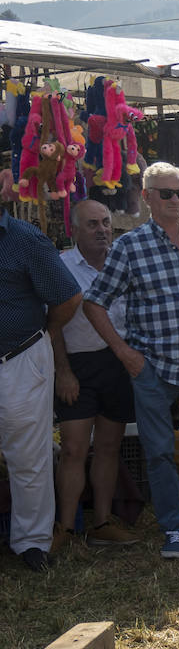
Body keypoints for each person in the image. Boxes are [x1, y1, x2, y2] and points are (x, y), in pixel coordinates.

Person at [83, 161, 179, 559]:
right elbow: (94, 302)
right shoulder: (129, 246)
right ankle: (174, 531)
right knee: (159, 452)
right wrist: (125, 353)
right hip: (151, 366)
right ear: (148, 197)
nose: (176, 201)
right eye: (167, 194)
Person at [53, 200, 140, 554]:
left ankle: (101, 524)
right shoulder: (60, 267)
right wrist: (63, 371)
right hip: (77, 367)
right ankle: (65, 529)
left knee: (108, 447)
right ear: (74, 229)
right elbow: (53, 325)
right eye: (92, 224)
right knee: (73, 449)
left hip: (117, 363)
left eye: (106, 222)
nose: (102, 229)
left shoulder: (124, 262)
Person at [0, 204, 81, 572]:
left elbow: (68, 298)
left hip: (19, 357)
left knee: (28, 455)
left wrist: (43, 335)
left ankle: (31, 542)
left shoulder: (25, 239)